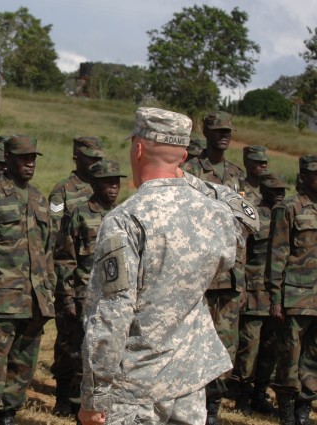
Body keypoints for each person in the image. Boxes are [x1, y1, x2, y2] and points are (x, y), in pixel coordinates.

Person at [78, 107, 258, 425]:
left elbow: (110, 317)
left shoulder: (124, 219)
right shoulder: (214, 214)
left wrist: (94, 397)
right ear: (184, 155)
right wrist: (185, 179)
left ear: (138, 149)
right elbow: (247, 213)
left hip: (135, 386)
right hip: (188, 379)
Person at [0, 135, 56, 425]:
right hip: (0, 297)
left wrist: (48, 292)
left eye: (33, 158)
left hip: (34, 298)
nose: (29, 163)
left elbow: (47, 250)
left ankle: (9, 412)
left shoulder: (39, 198)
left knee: (24, 361)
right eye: (23, 158)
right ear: (8, 159)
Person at [181, 111, 246, 422]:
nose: (224, 136)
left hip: (231, 276)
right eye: (218, 130)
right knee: (194, 342)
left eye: (228, 131)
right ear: (205, 132)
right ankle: (191, 405)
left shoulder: (236, 173)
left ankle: (213, 407)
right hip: (200, 276)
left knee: (226, 345)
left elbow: (244, 223)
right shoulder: (189, 171)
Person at [53, 159, 125, 418]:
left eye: (117, 182)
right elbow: (64, 257)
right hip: (83, 295)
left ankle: (93, 402)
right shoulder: (79, 213)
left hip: (112, 297)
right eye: (108, 182)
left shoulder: (122, 215)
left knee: (104, 352)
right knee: (73, 350)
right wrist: (68, 297)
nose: (113, 187)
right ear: (94, 184)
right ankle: (66, 399)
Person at [48, 135, 104, 416]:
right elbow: (54, 233)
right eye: (90, 158)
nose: (95, 163)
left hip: (95, 280)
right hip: (69, 273)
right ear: (76, 158)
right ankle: (62, 393)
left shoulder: (104, 186)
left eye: (98, 158)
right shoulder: (62, 191)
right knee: (67, 339)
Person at [266, 155, 317, 425]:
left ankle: (303, 410)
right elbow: (277, 254)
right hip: (295, 297)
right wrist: (275, 297)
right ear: (305, 177)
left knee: (313, 358)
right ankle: (286, 412)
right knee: (290, 357)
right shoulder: (290, 208)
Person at [232, 173, 286, 415]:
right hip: (254, 292)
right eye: (275, 190)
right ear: (263, 190)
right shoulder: (252, 215)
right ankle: (242, 397)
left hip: (279, 296)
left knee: (271, 348)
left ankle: (260, 395)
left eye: (283, 190)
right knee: (249, 347)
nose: (280, 194)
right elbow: (241, 252)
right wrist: (241, 286)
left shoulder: (287, 215)